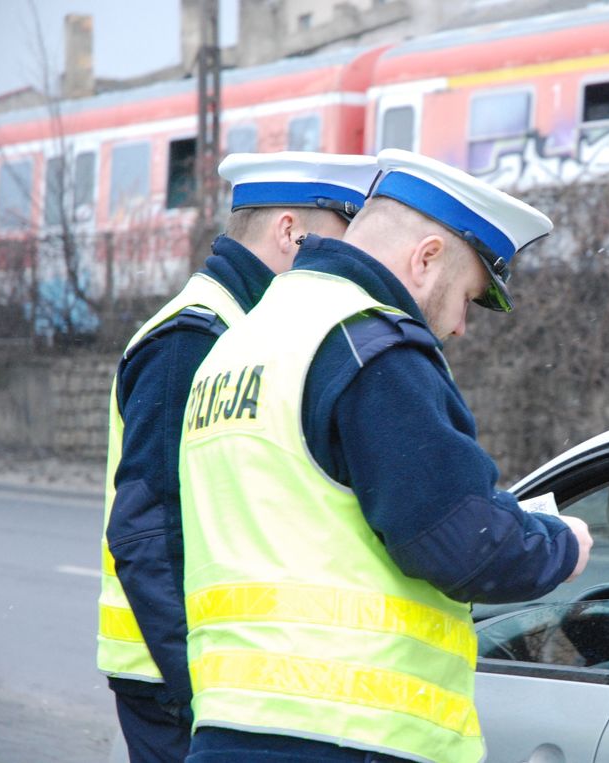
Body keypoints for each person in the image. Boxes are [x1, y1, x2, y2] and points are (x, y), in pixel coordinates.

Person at [178, 148, 593, 763]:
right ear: (426, 260)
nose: (458, 326)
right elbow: (461, 544)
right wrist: (562, 544)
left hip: (229, 726)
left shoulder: (239, 344)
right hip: (351, 734)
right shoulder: (371, 347)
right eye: (468, 296)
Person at [97, 151, 382, 763]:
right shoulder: (193, 338)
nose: (347, 264)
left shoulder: (248, 329)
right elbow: (147, 532)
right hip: (179, 682)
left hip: (213, 677)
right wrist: (202, 687)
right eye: (338, 241)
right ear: (289, 233)